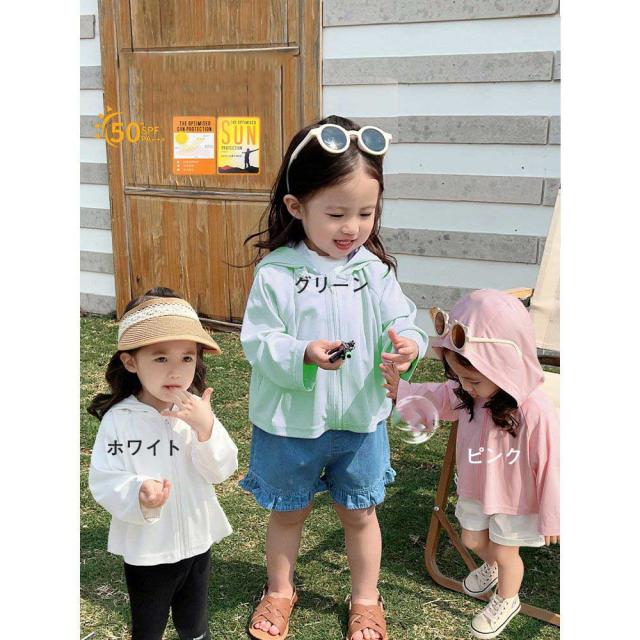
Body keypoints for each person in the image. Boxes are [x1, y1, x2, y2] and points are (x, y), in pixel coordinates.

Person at [238, 115, 428, 640]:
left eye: (366, 213)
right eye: (337, 213)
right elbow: (258, 339)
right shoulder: (278, 273)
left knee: (360, 514)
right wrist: (302, 352)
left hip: (361, 421)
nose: (353, 228)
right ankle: (280, 590)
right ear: (296, 207)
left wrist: (409, 343)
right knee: (288, 514)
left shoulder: (373, 271)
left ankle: (365, 598)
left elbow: (403, 319)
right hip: (290, 424)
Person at [381, 289, 559, 640]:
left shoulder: (535, 410)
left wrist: (553, 514)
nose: (465, 387)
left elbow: (552, 463)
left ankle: (507, 599)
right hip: (476, 487)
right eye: (459, 377)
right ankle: (492, 568)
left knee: (507, 553)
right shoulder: (468, 393)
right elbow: (438, 396)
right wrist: (404, 390)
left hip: (514, 498)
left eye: (473, 380)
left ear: (504, 367)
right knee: (472, 539)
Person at [88, 287, 238, 640]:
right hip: (148, 547)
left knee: (194, 623)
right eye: (160, 358)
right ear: (130, 362)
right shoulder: (119, 420)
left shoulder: (195, 412)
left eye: (186, 357)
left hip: (197, 539)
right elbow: (104, 478)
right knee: (148, 625)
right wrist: (139, 492)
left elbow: (221, 470)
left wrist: (205, 428)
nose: (176, 371)